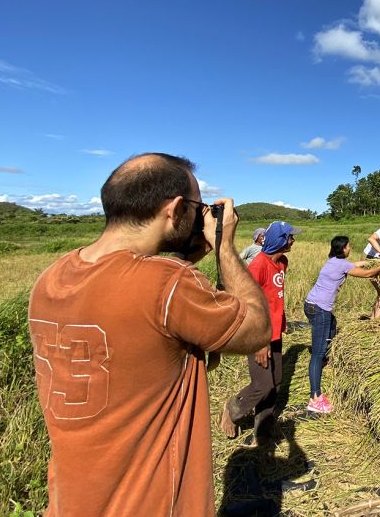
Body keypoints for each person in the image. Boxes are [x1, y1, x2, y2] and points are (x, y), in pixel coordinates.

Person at [28, 153, 271, 516]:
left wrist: (185, 261)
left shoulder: (51, 279)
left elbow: (140, 318)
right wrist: (223, 245)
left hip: (71, 501)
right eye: (197, 206)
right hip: (154, 504)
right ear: (175, 209)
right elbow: (256, 329)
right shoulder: (168, 284)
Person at [219, 220, 301, 442]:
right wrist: (260, 341)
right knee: (261, 385)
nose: (294, 240)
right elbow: (247, 305)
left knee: (275, 381)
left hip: (274, 332)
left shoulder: (282, 262)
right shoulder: (258, 266)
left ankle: (263, 426)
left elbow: (273, 298)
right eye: (290, 236)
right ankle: (233, 410)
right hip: (258, 335)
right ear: (280, 239)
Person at [304, 236, 380, 413]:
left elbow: (355, 265)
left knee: (333, 324)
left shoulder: (333, 261)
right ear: (343, 249)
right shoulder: (341, 265)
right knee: (317, 353)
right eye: (348, 246)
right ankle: (315, 398)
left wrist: (366, 262)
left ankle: (324, 358)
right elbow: (365, 274)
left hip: (310, 305)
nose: (350, 248)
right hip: (320, 309)